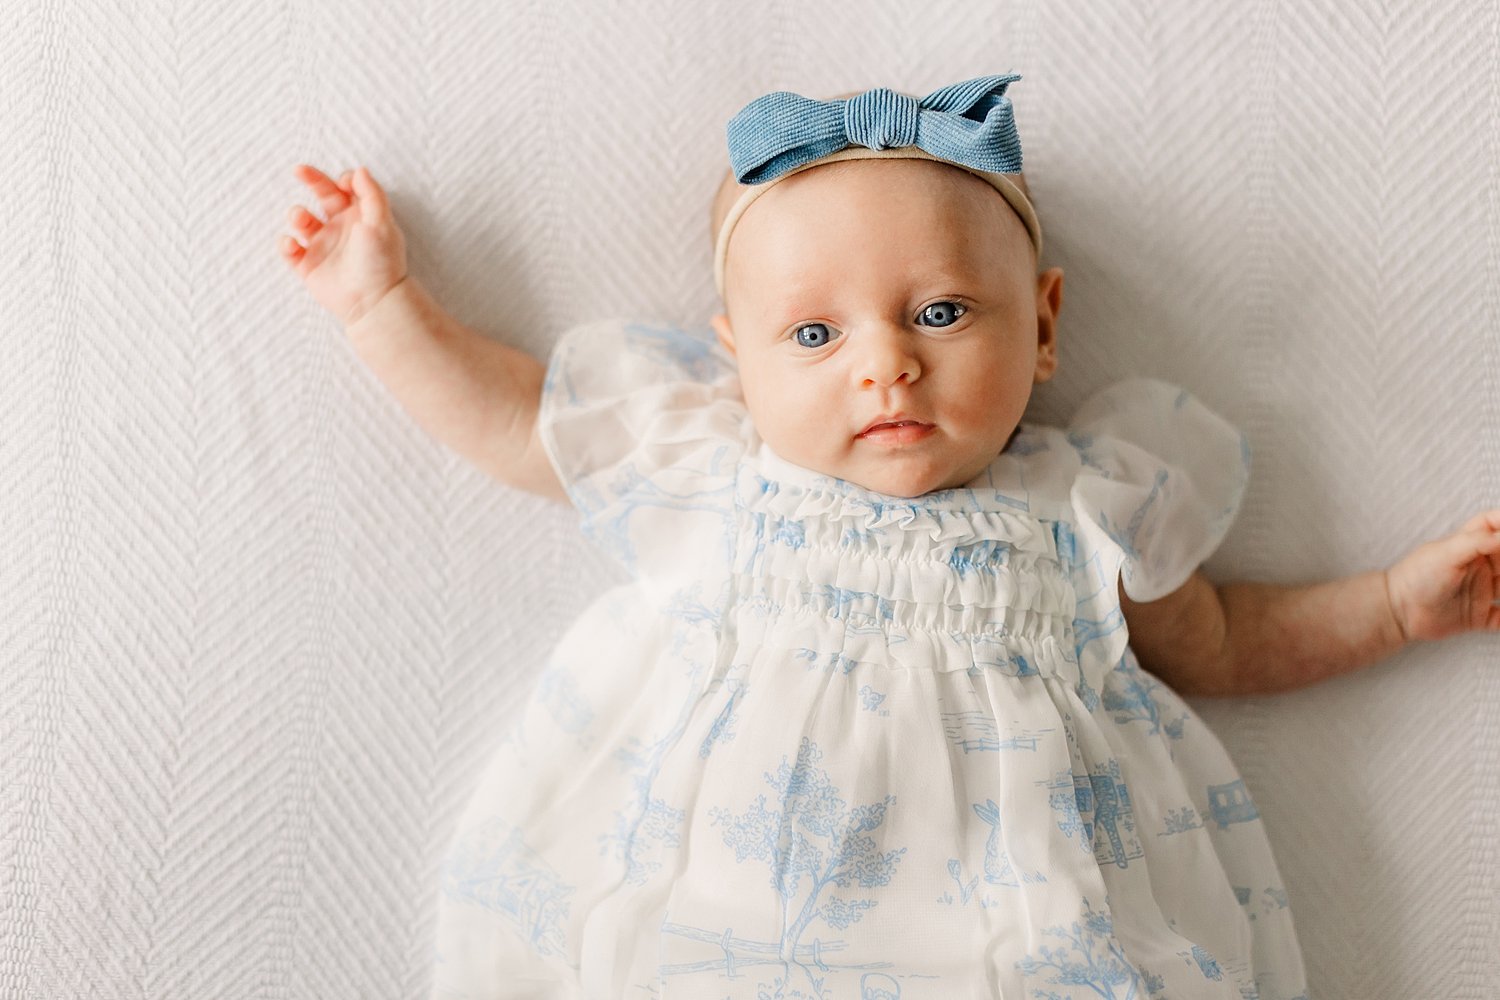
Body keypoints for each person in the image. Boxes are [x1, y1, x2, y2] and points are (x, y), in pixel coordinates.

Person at [279, 74, 1500, 1000]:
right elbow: (517, 424)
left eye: (942, 310)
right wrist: (383, 305)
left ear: (1046, 326)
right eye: (813, 336)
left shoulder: (1087, 504)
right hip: (739, 922)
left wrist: (1396, 604)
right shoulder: (717, 472)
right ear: (735, 359)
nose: (886, 363)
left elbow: (1223, 639)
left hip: (1028, 931)